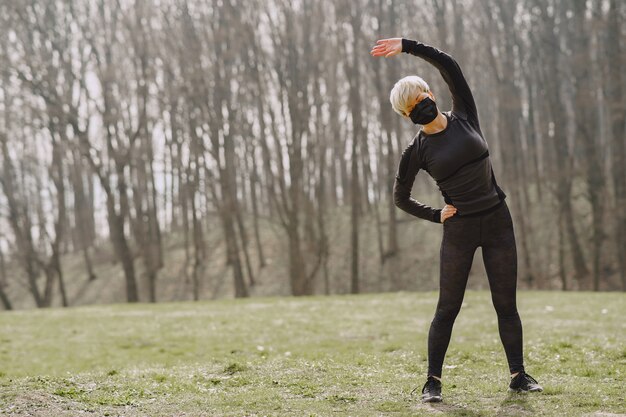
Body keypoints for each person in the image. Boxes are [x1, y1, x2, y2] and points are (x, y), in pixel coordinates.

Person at [370, 37, 543, 403]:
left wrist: (407, 46)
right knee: (448, 308)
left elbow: (449, 63)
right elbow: (400, 198)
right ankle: (432, 382)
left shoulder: (465, 114)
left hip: (498, 222)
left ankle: (518, 375)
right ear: (405, 116)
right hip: (460, 230)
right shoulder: (415, 152)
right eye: (412, 107)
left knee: (506, 305)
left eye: (421, 97)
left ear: (430, 92)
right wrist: (436, 214)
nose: (421, 106)